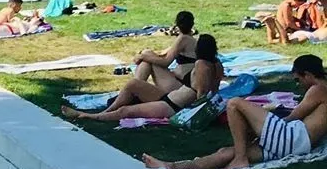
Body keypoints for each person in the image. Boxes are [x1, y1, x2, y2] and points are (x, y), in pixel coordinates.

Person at [145, 55, 327, 169]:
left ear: (308, 74)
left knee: (234, 104)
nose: (299, 85)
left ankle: (240, 159)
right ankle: (172, 166)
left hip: (292, 138)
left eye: (299, 79)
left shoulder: (318, 88)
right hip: (294, 144)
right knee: (225, 153)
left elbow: (293, 117)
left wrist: (260, 126)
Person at [63, 34, 224, 123]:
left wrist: (187, 117)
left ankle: (88, 116)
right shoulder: (217, 64)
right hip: (171, 99)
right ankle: (107, 110)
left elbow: (201, 95)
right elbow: (212, 91)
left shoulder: (202, 65)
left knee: (125, 111)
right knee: (134, 84)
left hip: (173, 107)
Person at [128, 11, 199, 93]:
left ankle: (133, 90)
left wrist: (142, 56)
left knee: (147, 56)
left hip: (178, 86)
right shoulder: (191, 40)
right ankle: (134, 88)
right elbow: (164, 54)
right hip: (180, 83)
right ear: (192, 24)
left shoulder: (183, 39)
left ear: (177, 24)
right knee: (147, 54)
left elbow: (166, 62)